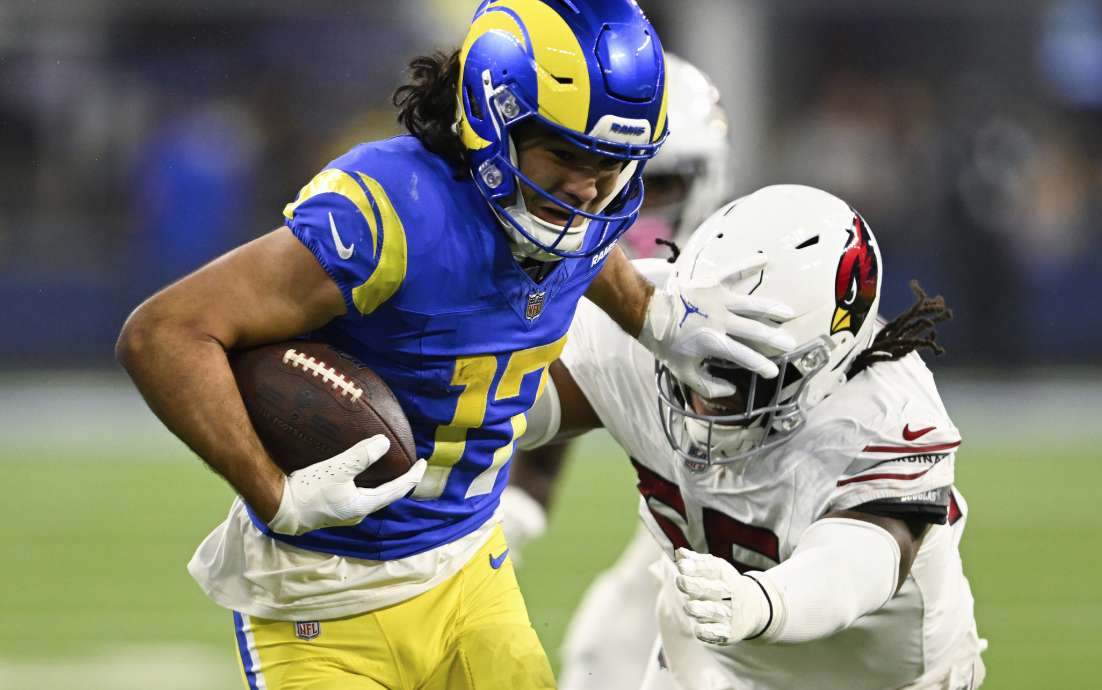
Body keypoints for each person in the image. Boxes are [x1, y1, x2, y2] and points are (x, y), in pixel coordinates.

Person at [114, 2, 794, 689]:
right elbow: (165, 332)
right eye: (566, 154)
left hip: (470, 573)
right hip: (321, 596)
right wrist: (272, 492)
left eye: (614, 163)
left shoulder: (574, 210)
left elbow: (590, 243)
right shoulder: (393, 209)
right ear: (493, 119)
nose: (589, 189)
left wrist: (655, 317)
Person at [517, 185, 987, 690]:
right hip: (709, 662)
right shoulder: (648, 331)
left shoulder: (881, 411)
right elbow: (505, 402)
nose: (707, 388)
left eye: (743, 367)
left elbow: (862, 561)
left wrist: (762, 605)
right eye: (703, 352)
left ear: (823, 363)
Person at [501, 52, 733, 690]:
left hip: (772, 534)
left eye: (657, 184)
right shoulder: (551, 253)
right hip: (686, 530)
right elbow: (558, 386)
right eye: (610, 170)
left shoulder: (731, 280)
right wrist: (509, 514)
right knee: (604, 656)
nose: (630, 200)